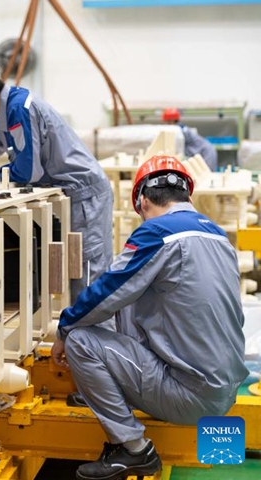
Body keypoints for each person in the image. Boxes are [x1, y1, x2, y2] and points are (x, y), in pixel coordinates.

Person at [51, 155, 248, 480]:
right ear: (187, 195)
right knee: (137, 293)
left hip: (189, 394)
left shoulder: (158, 232)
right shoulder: (217, 235)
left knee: (81, 340)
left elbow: (106, 292)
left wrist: (64, 327)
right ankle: (108, 387)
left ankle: (133, 450)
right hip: (224, 388)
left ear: (142, 200)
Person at [0, 56, 113, 301]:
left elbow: (28, 172)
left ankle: (97, 339)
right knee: (78, 276)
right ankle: (82, 337)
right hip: (75, 194)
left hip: (85, 196)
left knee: (87, 278)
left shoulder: (18, 108)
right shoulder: (9, 107)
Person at [162, 107, 218, 172]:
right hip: (202, 152)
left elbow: (177, 147)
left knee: (207, 175)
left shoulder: (181, 131)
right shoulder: (180, 129)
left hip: (206, 152)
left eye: (167, 122)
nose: (166, 124)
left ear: (171, 120)